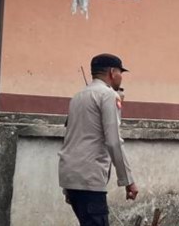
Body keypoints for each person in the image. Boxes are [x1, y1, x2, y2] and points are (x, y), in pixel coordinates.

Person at [59, 53, 138, 226]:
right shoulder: (108, 95)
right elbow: (113, 141)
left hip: (70, 176)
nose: (121, 77)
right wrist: (128, 180)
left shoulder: (78, 97)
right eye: (120, 72)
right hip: (90, 178)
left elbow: (72, 136)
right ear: (112, 72)